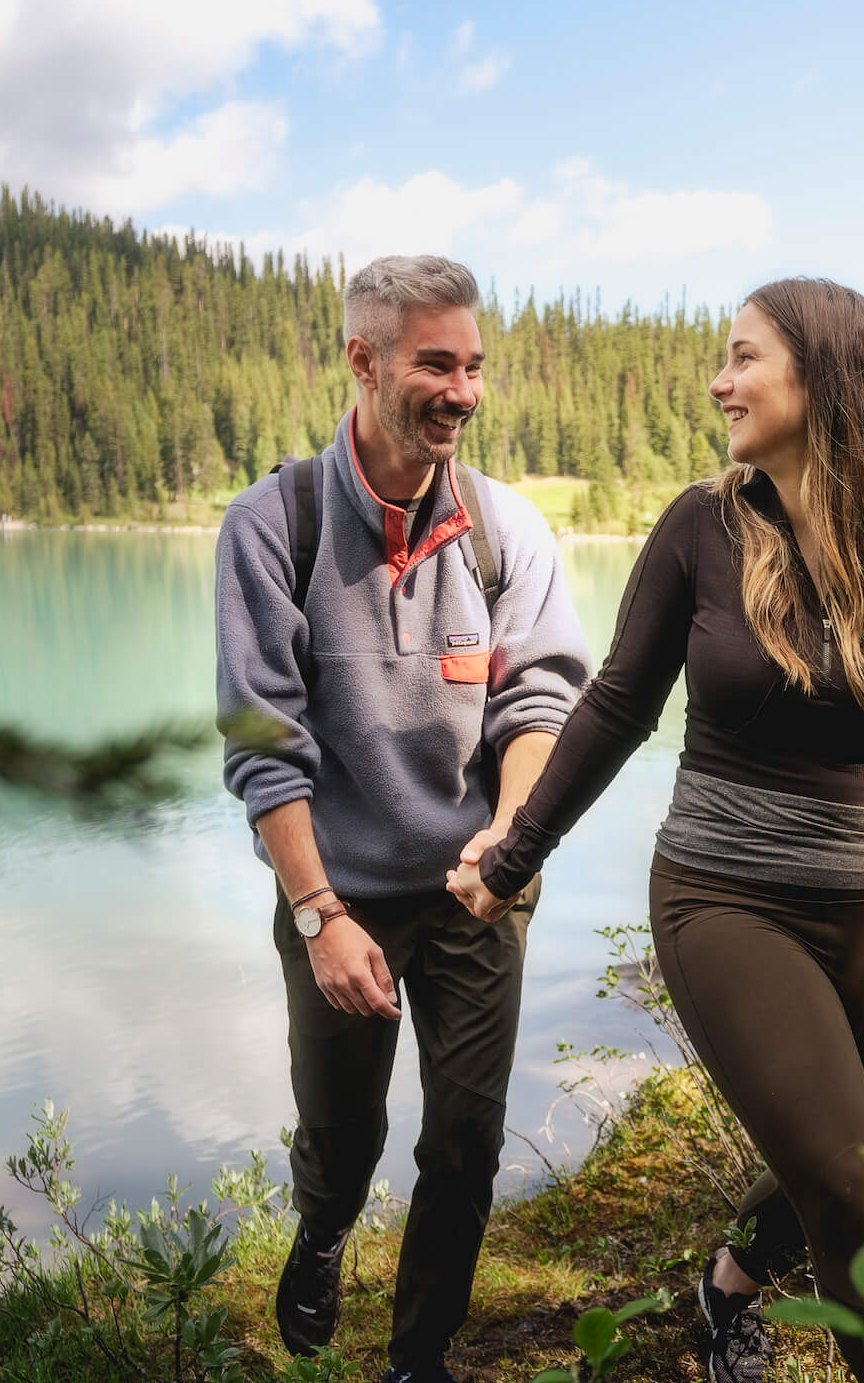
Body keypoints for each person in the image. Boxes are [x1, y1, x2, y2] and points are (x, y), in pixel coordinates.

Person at [446, 277, 864, 1382]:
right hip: (727, 900)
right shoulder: (702, 530)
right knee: (860, 1195)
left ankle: (728, 1290)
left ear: (826, 376)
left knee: (843, 1158)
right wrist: (512, 857)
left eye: (744, 357)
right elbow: (615, 704)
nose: (720, 380)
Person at [215, 255, 591, 1383]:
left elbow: (542, 699)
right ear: (363, 361)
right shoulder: (271, 525)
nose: (463, 391)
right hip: (337, 890)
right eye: (437, 363)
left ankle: (417, 1360)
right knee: (341, 1133)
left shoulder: (503, 528)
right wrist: (318, 911)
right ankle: (324, 1232)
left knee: (465, 1143)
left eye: (474, 366)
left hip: (477, 887)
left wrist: (509, 843)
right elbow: (264, 741)